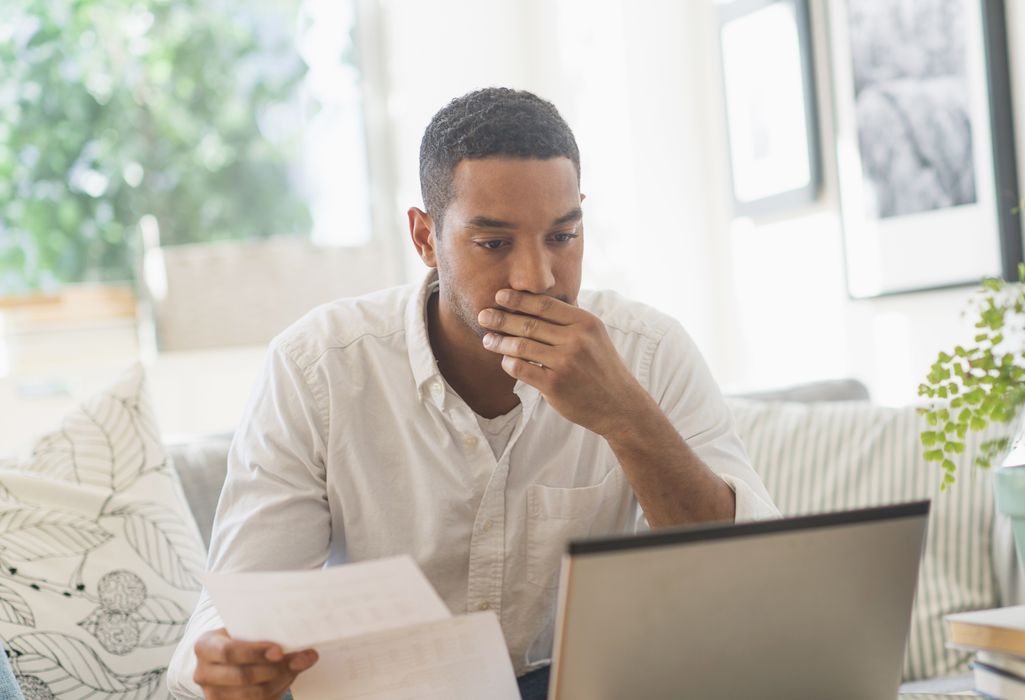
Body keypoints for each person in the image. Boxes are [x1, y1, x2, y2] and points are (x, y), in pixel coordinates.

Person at [168, 87, 780, 700]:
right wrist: (227, 661)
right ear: (425, 238)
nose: (536, 278)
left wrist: (625, 417)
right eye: (493, 243)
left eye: (562, 237)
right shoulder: (317, 369)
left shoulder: (649, 353)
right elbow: (235, 610)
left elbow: (750, 586)